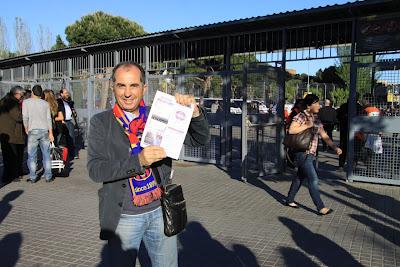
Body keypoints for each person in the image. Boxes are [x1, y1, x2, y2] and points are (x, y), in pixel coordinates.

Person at [87, 61, 210, 266]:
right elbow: (95, 170)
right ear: (113, 87)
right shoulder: (101, 122)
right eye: (121, 85)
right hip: (123, 217)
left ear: (144, 88)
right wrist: (139, 161)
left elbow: (200, 139)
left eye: (133, 85)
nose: (127, 93)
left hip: (160, 212)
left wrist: (194, 113)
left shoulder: (160, 113)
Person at [285, 94, 342, 215]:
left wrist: (334, 147)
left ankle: (289, 199)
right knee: (313, 179)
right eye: (316, 103)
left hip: (311, 154)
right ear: (309, 105)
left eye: (319, 103)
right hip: (302, 153)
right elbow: (291, 130)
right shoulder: (301, 116)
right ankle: (320, 207)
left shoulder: (316, 117)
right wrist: (307, 125)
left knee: (300, 177)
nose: (318, 105)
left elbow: (324, 135)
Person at [22, 85, 54, 183]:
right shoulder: (45, 103)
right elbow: (49, 119)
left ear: (32, 92)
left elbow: (25, 117)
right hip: (44, 130)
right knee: (46, 154)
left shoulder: (26, 102)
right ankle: (48, 176)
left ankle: (33, 177)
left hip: (32, 130)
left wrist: (26, 128)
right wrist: (51, 133)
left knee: (32, 155)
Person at [0, 86, 25, 183]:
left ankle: (8, 175)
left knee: (8, 156)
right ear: (16, 94)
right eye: (21, 95)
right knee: (12, 156)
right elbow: (18, 117)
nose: (22, 97)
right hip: (12, 133)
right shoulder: (12, 102)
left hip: (5, 132)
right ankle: (12, 176)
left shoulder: (4, 100)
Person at [57, 88, 79, 159]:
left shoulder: (69, 102)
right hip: (62, 121)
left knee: (71, 138)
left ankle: (72, 154)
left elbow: (72, 111)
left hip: (69, 121)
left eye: (67, 93)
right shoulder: (59, 102)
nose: (67, 94)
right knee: (59, 138)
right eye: (65, 93)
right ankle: (58, 154)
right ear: (61, 94)